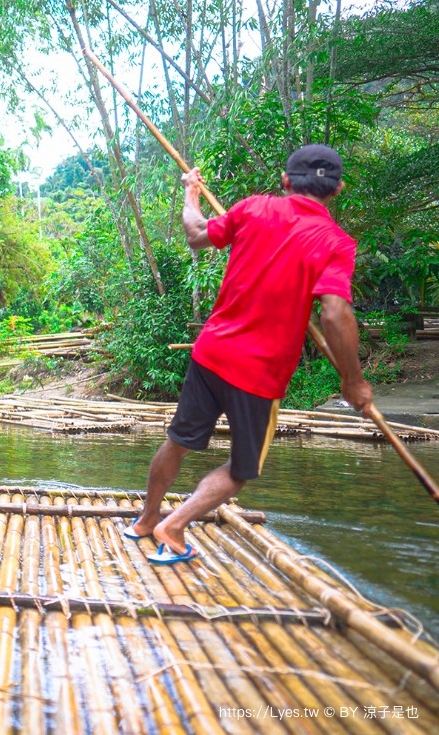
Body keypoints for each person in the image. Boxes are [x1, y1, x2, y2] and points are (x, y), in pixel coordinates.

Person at [127, 144, 373, 565]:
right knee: (242, 470)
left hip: (211, 353)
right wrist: (352, 380)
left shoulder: (254, 208)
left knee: (177, 442)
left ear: (285, 180)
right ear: (338, 189)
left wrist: (191, 193)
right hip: (259, 375)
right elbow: (334, 312)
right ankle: (173, 525)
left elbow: (197, 233)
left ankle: (146, 521)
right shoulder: (336, 243)